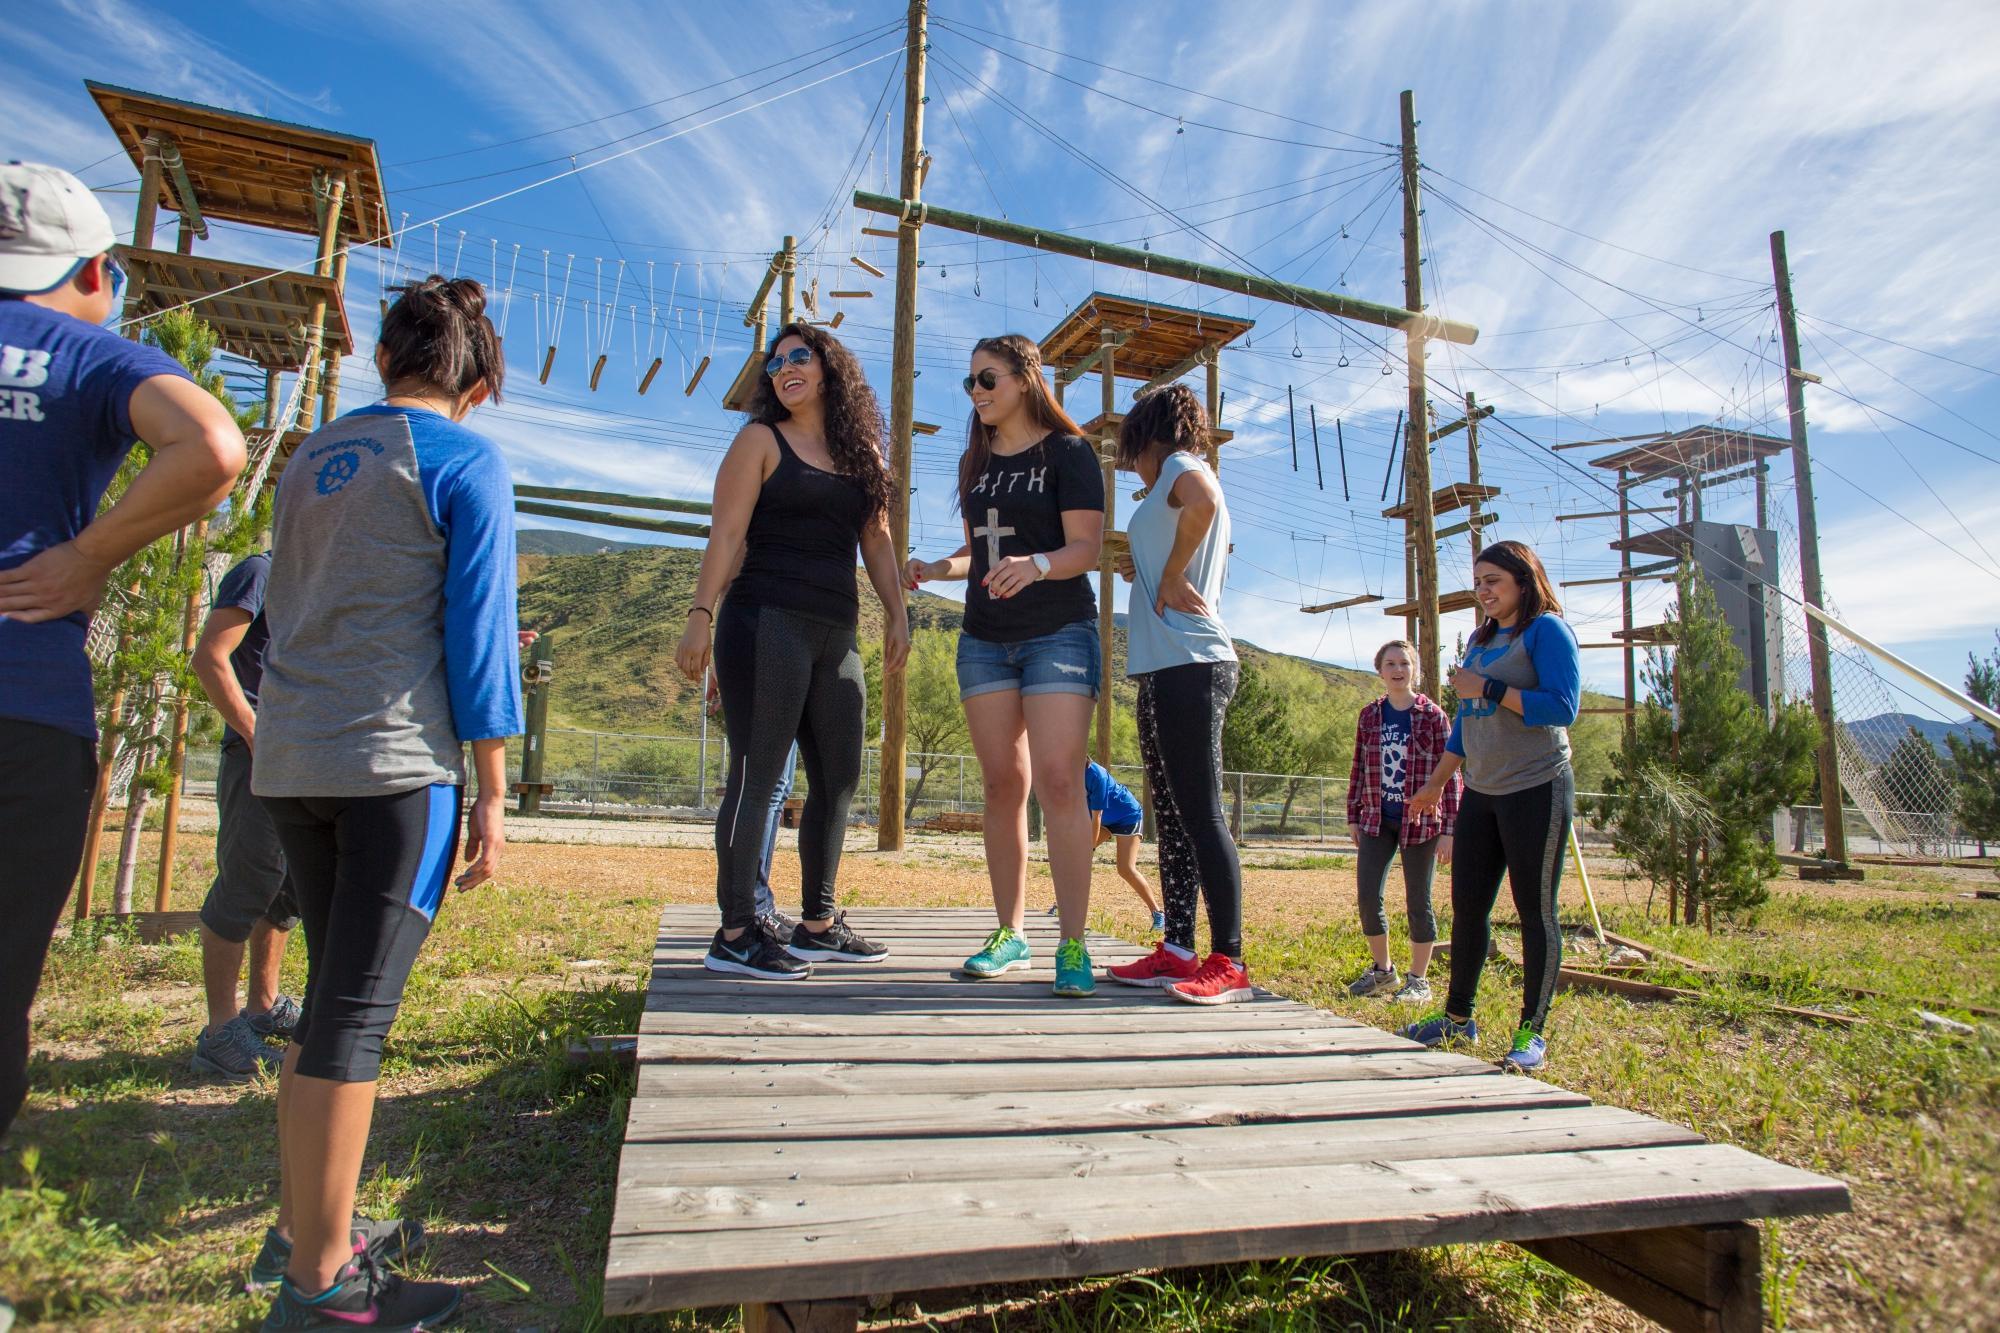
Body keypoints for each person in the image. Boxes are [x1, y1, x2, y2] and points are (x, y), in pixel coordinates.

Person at [249, 275, 520, 1327]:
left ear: (384, 361)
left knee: (330, 1006)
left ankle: (313, 1226)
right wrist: (492, 789)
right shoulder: (463, 458)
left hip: (291, 759)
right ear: (483, 382)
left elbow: (280, 601)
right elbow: (479, 633)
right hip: (393, 767)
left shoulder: (315, 452)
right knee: (352, 1023)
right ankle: (324, 1288)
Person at [0, 162, 246, 1147]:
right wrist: (86, 555)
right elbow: (214, 447)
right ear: (97, 271)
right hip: (25, 700)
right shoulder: (90, 356)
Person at [675, 323, 907, 980]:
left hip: (836, 629)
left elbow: (879, 541)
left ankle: (818, 923)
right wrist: (700, 614)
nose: (783, 368)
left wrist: (897, 612)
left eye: (799, 355)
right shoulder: (758, 440)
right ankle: (737, 931)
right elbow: (726, 535)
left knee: (838, 779)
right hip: (763, 619)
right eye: (774, 362)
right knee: (759, 774)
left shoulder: (862, 453)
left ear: (831, 368)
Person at [904, 334, 1104, 997]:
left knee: (1059, 780)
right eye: (969, 383)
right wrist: (939, 568)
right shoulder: (976, 462)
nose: (976, 392)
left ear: (1025, 378)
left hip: (1059, 632)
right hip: (985, 637)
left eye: (986, 378)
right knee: (1000, 784)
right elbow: (977, 554)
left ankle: (1072, 942)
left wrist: (1038, 564)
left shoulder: (1069, 453)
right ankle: (1009, 931)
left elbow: (1086, 548)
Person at [1403, 539, 1580, 1074]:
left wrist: (1491, 685)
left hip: (1536, 787)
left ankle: (1532, 1033)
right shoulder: (1482, 640)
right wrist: (1436, 784)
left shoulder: (1547, 630)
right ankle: (1458, 1019)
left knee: (1535, 913)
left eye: (1493, 582)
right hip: (1482, 793)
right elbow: (1466, 720)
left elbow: (1562, 707)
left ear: (1523, 582)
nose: (1483, 591)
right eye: (1478, 582)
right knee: (1469, 910)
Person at [1102, 384, 1249, 1005]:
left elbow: (1207, 499)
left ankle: (1230, 960)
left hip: (1192, 664)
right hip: (1166, 667)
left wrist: (1168, 571)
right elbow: (1185, 534)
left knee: (1201, 812)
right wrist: (1148, 564)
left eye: (1131, 447)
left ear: (1149, 436)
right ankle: (1179, 950)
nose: (1130, 461)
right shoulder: (1164, 488)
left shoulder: (1185, 469)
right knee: (1175, 818)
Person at [189, 548, 302, 1082]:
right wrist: (256, 733)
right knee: (247, 880)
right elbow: (210, 656)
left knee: (283, 889)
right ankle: (219, 1032)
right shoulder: (261, 570)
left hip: (305, 757)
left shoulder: (319, 575)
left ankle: (262, 1004)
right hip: (260, 754)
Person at [1343, 639, 1459, 1005]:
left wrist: (1449, 831)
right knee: (1367, 895)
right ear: (1380, 671)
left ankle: (1418, 980)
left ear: (1415, 671)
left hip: (1421, 824)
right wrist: (1353, 816)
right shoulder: (1370, 716)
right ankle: (1383, 972)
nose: (1397, 670)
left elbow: (1452, 775)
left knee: (1418, 901)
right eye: (1390, 663)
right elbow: (1359, 768)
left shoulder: (1434, 716)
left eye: (1404, 664)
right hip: (1377, 820)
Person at [707, 672, 800, 940]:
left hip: (788, 668)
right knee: (762, 789)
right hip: (763, 669)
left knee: (779, 790)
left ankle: (762, 903)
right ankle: (751, 909)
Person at [1049, 761, 1162, 929]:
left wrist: (1090, 845)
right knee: (1078, 860)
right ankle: (1062, 907)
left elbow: (1097, 817)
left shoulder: (1096, 775)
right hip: (1104, 821)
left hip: (1127, 817)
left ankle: (1159, 915)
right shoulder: (1068, 774)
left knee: (1125, 869)